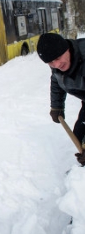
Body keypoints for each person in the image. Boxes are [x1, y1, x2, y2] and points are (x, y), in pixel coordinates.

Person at [37, 33, 85, 166]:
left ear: (66, 49)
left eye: (58, 58)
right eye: (51, 62)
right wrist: (57, 106)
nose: (57, 64)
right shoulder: (58, 67)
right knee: (79, 137)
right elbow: (56, 81)